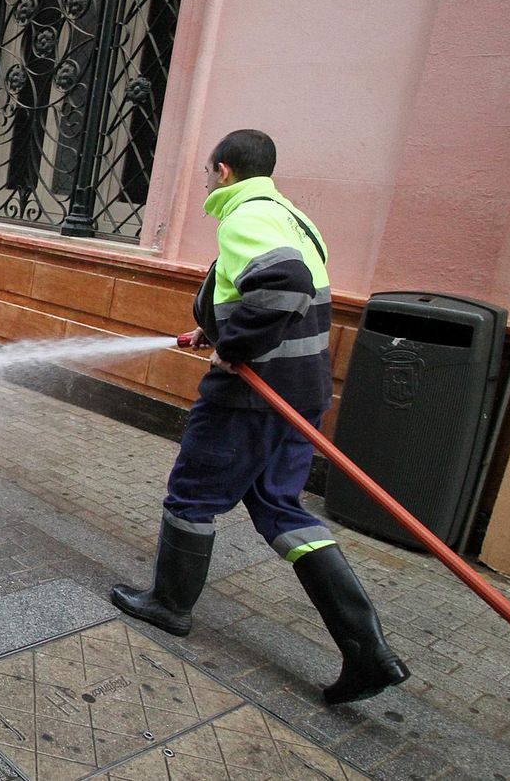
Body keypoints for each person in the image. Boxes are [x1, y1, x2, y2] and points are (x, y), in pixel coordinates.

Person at [110, 129, 410, 705]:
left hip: (251, 397)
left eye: (206, 172)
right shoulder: (293, 217)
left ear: (223, 171)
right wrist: (213, 327)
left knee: (192, 499)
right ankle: (368, 651)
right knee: (280, 508)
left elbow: (283, 286)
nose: (205, 181)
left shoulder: (244, 215)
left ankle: (169, 606)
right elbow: (282, 293)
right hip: (302, 391)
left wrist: (236, 345)